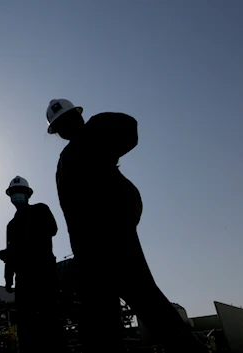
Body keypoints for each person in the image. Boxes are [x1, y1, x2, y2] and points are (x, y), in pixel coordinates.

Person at [46, 98, 207, 353]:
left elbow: (128, 128)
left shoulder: (91, 141)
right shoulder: (71, 158)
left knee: (140, 304)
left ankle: (189, 349)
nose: (67, 128)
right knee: (125, 310)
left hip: (111, 241)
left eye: (69, 122)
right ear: (61, 132)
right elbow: (72, 215)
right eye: (63, 125)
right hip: (98, 246)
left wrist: (92, 129)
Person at [0, 176, 64, 353]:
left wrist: (19, 247)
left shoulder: (41, 209)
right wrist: (8, 278)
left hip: (44, 273)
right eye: (13, 193)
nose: (16, 196)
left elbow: (52, 230)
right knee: (26, 322)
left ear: (28, 194)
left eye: (20, 192)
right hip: (23, 278)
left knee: (49, 316)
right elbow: (10, 251)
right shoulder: (11, 225)